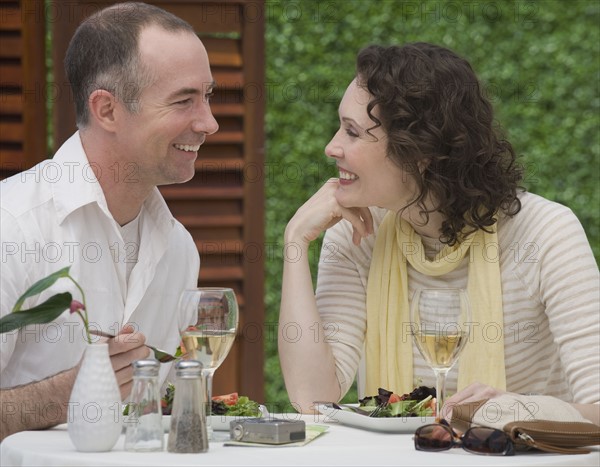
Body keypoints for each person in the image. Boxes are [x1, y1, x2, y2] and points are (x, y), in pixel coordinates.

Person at [278, 42, 599, 424]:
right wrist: (295, 243)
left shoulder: (545, 234)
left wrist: (517, 408)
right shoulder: (358, 233)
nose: (332, 147)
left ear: (419, 152)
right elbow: (312, 399)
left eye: (352, 132)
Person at [0, 2, 218, 440]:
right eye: (183, 100)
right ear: (107, 110)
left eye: (208, 96)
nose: (209, 122)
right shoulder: (12, 226)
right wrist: (65, 395)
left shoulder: (179, 248)